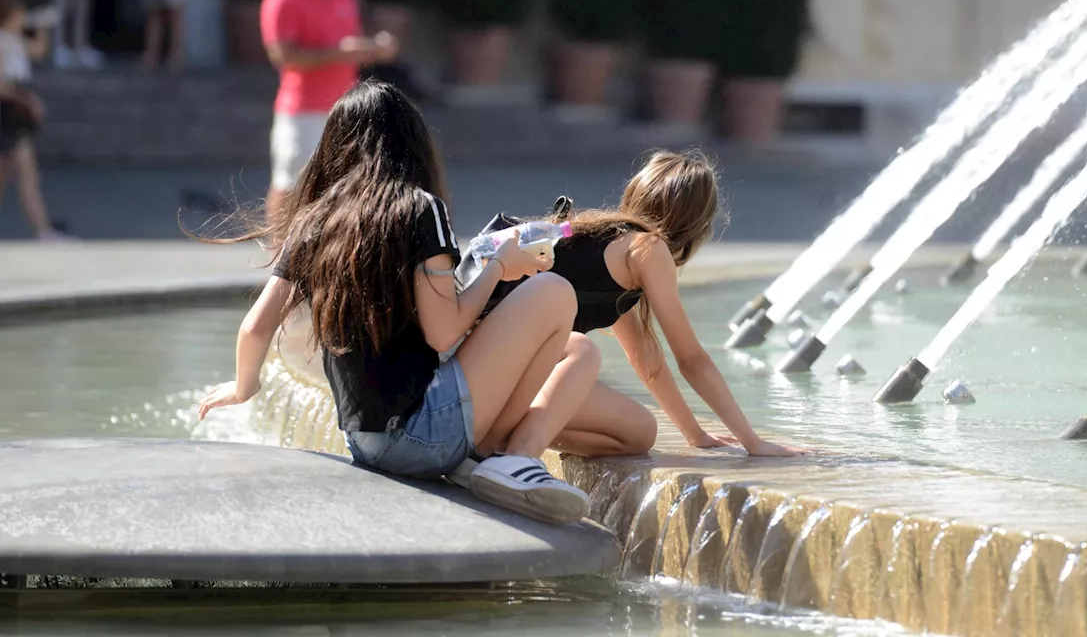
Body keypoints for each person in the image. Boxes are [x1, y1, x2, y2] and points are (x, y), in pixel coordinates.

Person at [193, 80, 600, 525]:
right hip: (424, 436)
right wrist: (498, 267)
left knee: (580, 350)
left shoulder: (315, 219)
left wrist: (243, 386)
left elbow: (255, 326)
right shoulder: (420, 208)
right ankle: (506, 458)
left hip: (364, 442)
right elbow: (444, 331)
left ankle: (489, 458)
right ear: (412, 143)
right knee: (554, 293)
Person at [483, 150, 806, 459]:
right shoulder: (647, 248)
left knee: (637, 435)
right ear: (697, 223)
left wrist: (695, 434)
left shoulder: (609, 241)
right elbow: (692, 360)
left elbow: (644, 357)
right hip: (501, 370)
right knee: (638, 428)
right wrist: (754, 442)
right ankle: (512, 453)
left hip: (489, 362)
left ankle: (501, 440)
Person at [260, 0, 398, 228]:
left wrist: (375, 48)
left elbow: (350, 43)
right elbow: (283, 56)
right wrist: (341, 52)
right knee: (289, 183)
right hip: (302, 110)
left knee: (340, 183)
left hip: (344, 108)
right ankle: (278, 257)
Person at [0, 0, 70, 240]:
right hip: (8, 114)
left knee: (4, 175)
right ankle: (44, 231)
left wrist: (41, 25)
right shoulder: (2, 43)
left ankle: (44, 229)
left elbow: (39, 50)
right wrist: (29, 100)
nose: (22, 18)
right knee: (28, 175)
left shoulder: (14, 40)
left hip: (15, 114)